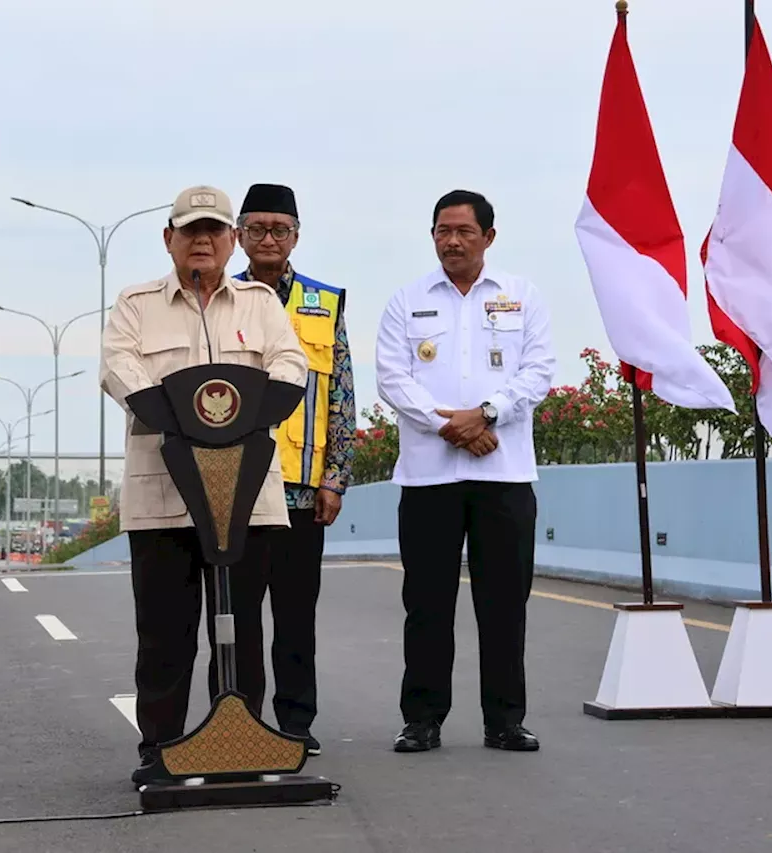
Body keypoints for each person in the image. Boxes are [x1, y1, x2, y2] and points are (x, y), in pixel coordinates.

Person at [99, 184, 308, 786]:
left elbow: (290, 365)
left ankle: (246, 739)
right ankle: (159, 744)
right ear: (170, 239)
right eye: (190, 231)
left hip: (245, 495)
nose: (202, 242)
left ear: (231, 239)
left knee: (243, 624)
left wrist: (254, 410)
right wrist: (183, 415)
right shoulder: (136, 304)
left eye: (214, 231)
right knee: (165, 632)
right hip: (163, 495)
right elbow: (119, 367)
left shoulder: (261, 302)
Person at [375, 189, 555, 754]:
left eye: (464, 232)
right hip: (428, 477)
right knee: (426, 604)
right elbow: (392, 378)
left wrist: (487, 414)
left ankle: (504, 720)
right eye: (442, 231)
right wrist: (448, 425)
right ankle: (422, 719)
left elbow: (539, 371)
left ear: (488, 238)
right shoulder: (407, 300)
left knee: (504, 604)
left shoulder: (522, 297)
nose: (452, 241)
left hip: (504, 474)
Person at [226, 182, 355, 756]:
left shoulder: (324, 304)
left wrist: (336, 478)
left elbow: (343, 396)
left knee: (297, 614)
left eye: (281, 229)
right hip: (238, 489)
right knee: (241, 612)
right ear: (238, 236)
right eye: (257, 229)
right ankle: (243, 716)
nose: (269, 239)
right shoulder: (220, 298)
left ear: (297, 236)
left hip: (303, 491)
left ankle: (296, 722)